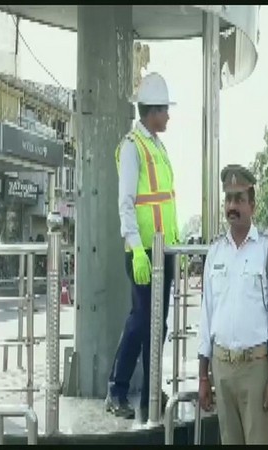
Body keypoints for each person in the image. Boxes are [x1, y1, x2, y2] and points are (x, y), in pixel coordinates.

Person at [106, 72, 179, 421]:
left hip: (162, 252)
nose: (169, 117)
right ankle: (117, 390)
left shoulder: (156, 146)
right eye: (166, 110)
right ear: (153, 111)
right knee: (140, 322)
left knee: (157, 326)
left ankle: (151, 392)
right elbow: (126, 202)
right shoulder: (134, 147)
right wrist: (135, 248)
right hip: (144, 253)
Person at [197, 164, 268, 445]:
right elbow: (207, 315)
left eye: (239, 199)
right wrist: (203, 375)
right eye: (228, 199)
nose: (232, 206)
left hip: (255, 369)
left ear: (252, 205)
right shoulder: (215, 251)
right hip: (221, 367)